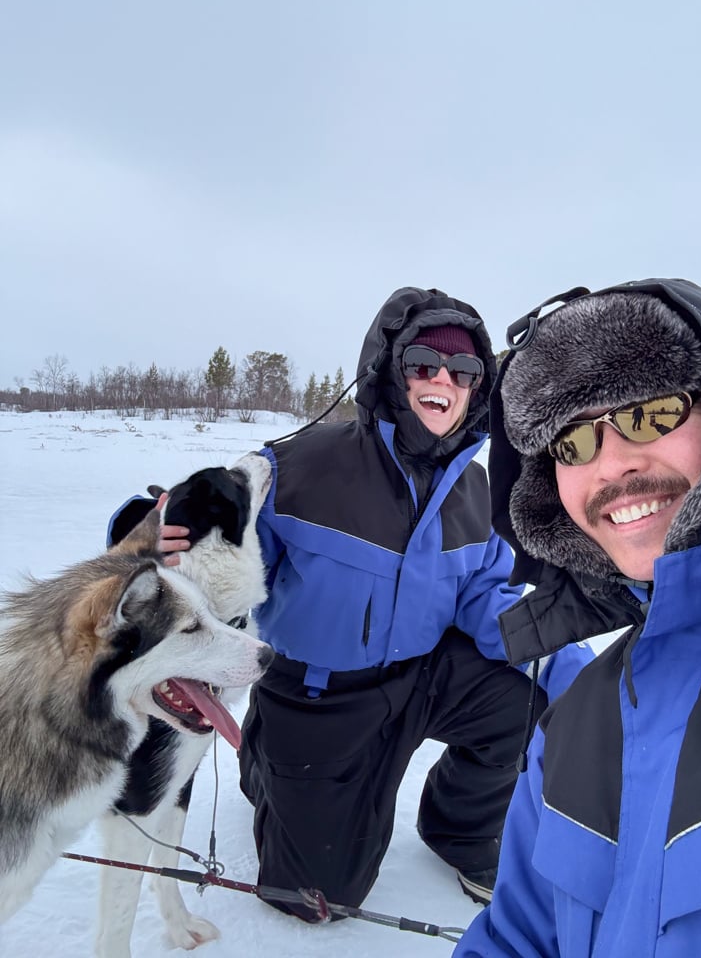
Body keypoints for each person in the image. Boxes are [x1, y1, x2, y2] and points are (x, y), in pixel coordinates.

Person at [110, 286, 593, 918]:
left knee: (529, 702)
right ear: (391, 371)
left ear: (479, 387)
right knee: (318, 900)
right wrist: (148, 535)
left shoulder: (478, 490)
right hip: (320, 694)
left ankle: (460, 829)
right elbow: (209, 545)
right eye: (424, 363)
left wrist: (561, 657)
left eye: (464, 370)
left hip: (424, 674)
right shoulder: (299, 468)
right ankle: (267, 761)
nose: (443, 379)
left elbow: (485, 598)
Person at [454, 278, 701, 957]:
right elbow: (516, 939)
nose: (612, 465)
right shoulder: (572, 727)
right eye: (573, 443)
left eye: (650, 413)